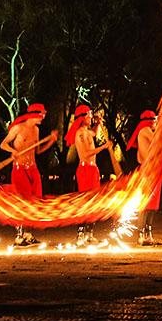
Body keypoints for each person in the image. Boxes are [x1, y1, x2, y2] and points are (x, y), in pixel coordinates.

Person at [0, 103, 57, 246]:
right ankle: (19, 236)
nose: (43, 118)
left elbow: (38, 151)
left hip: (33, 169)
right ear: (34, 114)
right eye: (42, 115)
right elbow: (3, 144)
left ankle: (28, 234)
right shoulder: (18, 128)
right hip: (19, 170)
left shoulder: (36, 130)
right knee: (22, 201)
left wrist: (51, 141)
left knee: (33, 201)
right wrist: (13, 151)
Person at [68, 104, 111, 246]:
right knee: (84, 202)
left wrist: (99, 123)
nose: (91, 117)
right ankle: (80, 233)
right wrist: (103, 147)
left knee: (94, 202)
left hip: (93, 170)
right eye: (89, 115)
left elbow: (94, 133)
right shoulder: (79, 133)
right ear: (82, 117)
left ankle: (90, 234)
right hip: (85, 169)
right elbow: (86, 154)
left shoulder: (87, 132)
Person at [126, 110, 160, 246]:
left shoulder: (148, 131)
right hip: (147, 171)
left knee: (152, 205)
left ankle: (148, 233)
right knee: (145, 204)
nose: (156, 122)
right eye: (155, 120)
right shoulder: (145, 130)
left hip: (153, 170)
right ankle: (141, 234)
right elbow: (158, 142)